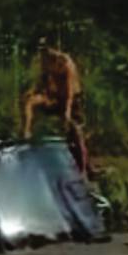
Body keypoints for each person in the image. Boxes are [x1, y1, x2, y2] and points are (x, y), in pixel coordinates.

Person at [21, 37, 91, 175]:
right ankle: (27, 132)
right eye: (41, 51)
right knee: (29, 101)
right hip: (53, 97)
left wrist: (67, 112)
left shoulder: (65, 63)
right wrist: (33, 92)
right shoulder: (45, 62)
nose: (44, 54)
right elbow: (42, 81)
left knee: (75, 131)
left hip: (71, 99)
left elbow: (70, 92)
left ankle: (83, 168)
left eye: (46, 50)